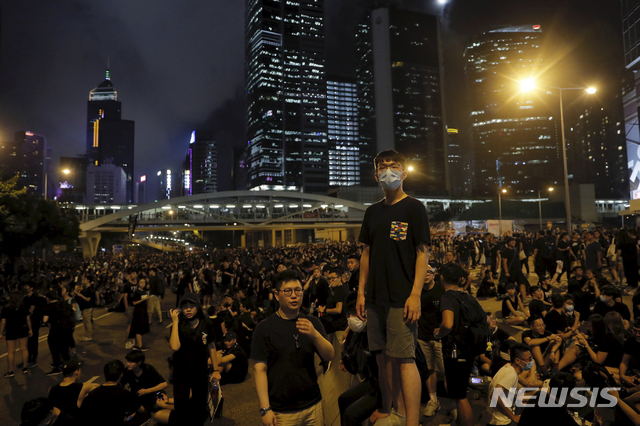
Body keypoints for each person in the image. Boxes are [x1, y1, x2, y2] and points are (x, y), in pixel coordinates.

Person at [356, 150, 430, 426]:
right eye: (383, 167)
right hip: (375, 297)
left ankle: (412, 420)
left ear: (404, 172)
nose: (389, 171)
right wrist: (361, 293)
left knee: (405, 358)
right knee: (382, 358)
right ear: (376, 176)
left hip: (402, 297)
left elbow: (422, 253)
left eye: (394, 166)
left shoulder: (414, 207)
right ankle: (387, 407)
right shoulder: (372, 212)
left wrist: (415, 295)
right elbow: (366, 253)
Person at [251, 269, 334, 426]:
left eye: (298, 291)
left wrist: (315, 335)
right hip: (282, 411)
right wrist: (265, 408)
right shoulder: (265, 328)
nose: (294, 296)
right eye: (287, 291)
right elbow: (259, 370)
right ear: (276, 295)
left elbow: (330, 355)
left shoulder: (312, 322)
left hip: (313, 404)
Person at [434, 263, 478, 426]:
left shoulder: (447, 298)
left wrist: (439, 333)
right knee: (460, 390)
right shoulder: (466, 295)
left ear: (442, 278)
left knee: (460, 397)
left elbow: (447, 323)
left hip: (455, 350)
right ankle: (459, 422)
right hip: (468, 348)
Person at [169, 293, 221, 426]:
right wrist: (175, 322)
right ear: (180, 309)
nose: (188, 309)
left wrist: (215, 369)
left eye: (192, 306)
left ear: (197, 307)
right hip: (181, 371)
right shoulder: (178, 324)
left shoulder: (206, 323)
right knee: (180, 407)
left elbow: (211, 346)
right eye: (185, 306)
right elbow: (175, 346)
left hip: (200, 370)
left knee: (200, 406)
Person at [80, 360, 144, 426]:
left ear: (105, 374)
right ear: (121, 375)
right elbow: (141, 410)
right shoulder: (126, 394)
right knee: (147, 415)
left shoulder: (91, 395)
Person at [417, 264, 444, 417]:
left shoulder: (441, 290)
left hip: (439, 337)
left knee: (445, 370)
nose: (426, 274)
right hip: (422, 336)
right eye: (424, 271)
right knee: (429, 369)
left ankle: (455, 403)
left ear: (434, 274)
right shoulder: (417, 291)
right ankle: (433, 400)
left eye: (429, 272)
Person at [486, 342, 532, 425]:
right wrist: (513, 416)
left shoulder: (508, 367)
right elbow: (495, 395)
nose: (531, 362)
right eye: (529, 359)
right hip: (502, 422)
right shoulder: (511, 374)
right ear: (517, 360)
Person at [42, 290, 75, 376]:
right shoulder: (63, 304)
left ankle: (57, 366)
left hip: (56, 329)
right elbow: (73, 309)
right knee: (64, 348)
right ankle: (69, 365)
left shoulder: (49, 306)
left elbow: (45, 319)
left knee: (54, 348)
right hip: (66, 329)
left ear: (48, 298)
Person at [1, 291, 32, 377]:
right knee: (24, 349)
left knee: (11, 351)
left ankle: (11, 371)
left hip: (11, 330)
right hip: (22, 329)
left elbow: (3, 322)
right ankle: (25, 367)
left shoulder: (6, 309)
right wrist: (30, 329)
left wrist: (1, 333)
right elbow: (28, 319)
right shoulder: (24, 307)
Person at [317, 267, 349, 335]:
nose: (331, 281)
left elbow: (338, 310)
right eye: (329, 279)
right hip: (343, 321)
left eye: (333, 278)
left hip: (339, 323)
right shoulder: (343, 287)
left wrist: (324, 310)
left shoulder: (339, 290)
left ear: (339, 278)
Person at [22, 282, 46, 368]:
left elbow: (31, 310)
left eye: (26, 286)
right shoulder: (25, 298)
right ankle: (27, 359)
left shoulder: (35, 298)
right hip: (26, 322)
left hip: (34, 321)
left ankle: (33, 359)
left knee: (33, 340)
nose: (25, 287)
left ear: (31, 288)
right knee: (26, 341)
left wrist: (24, 314)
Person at [129, 278, 150, 351]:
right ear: (138, 283)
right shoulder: (136, 292)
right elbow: (134, 302)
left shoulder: (144, 291)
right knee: (139, 328)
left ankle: (138, 344)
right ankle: (140, 346)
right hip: (138, 312)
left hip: (143, 311)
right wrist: (143, 300)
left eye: (144, 282)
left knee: (142, 327)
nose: (142, 284)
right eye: (141, 282)